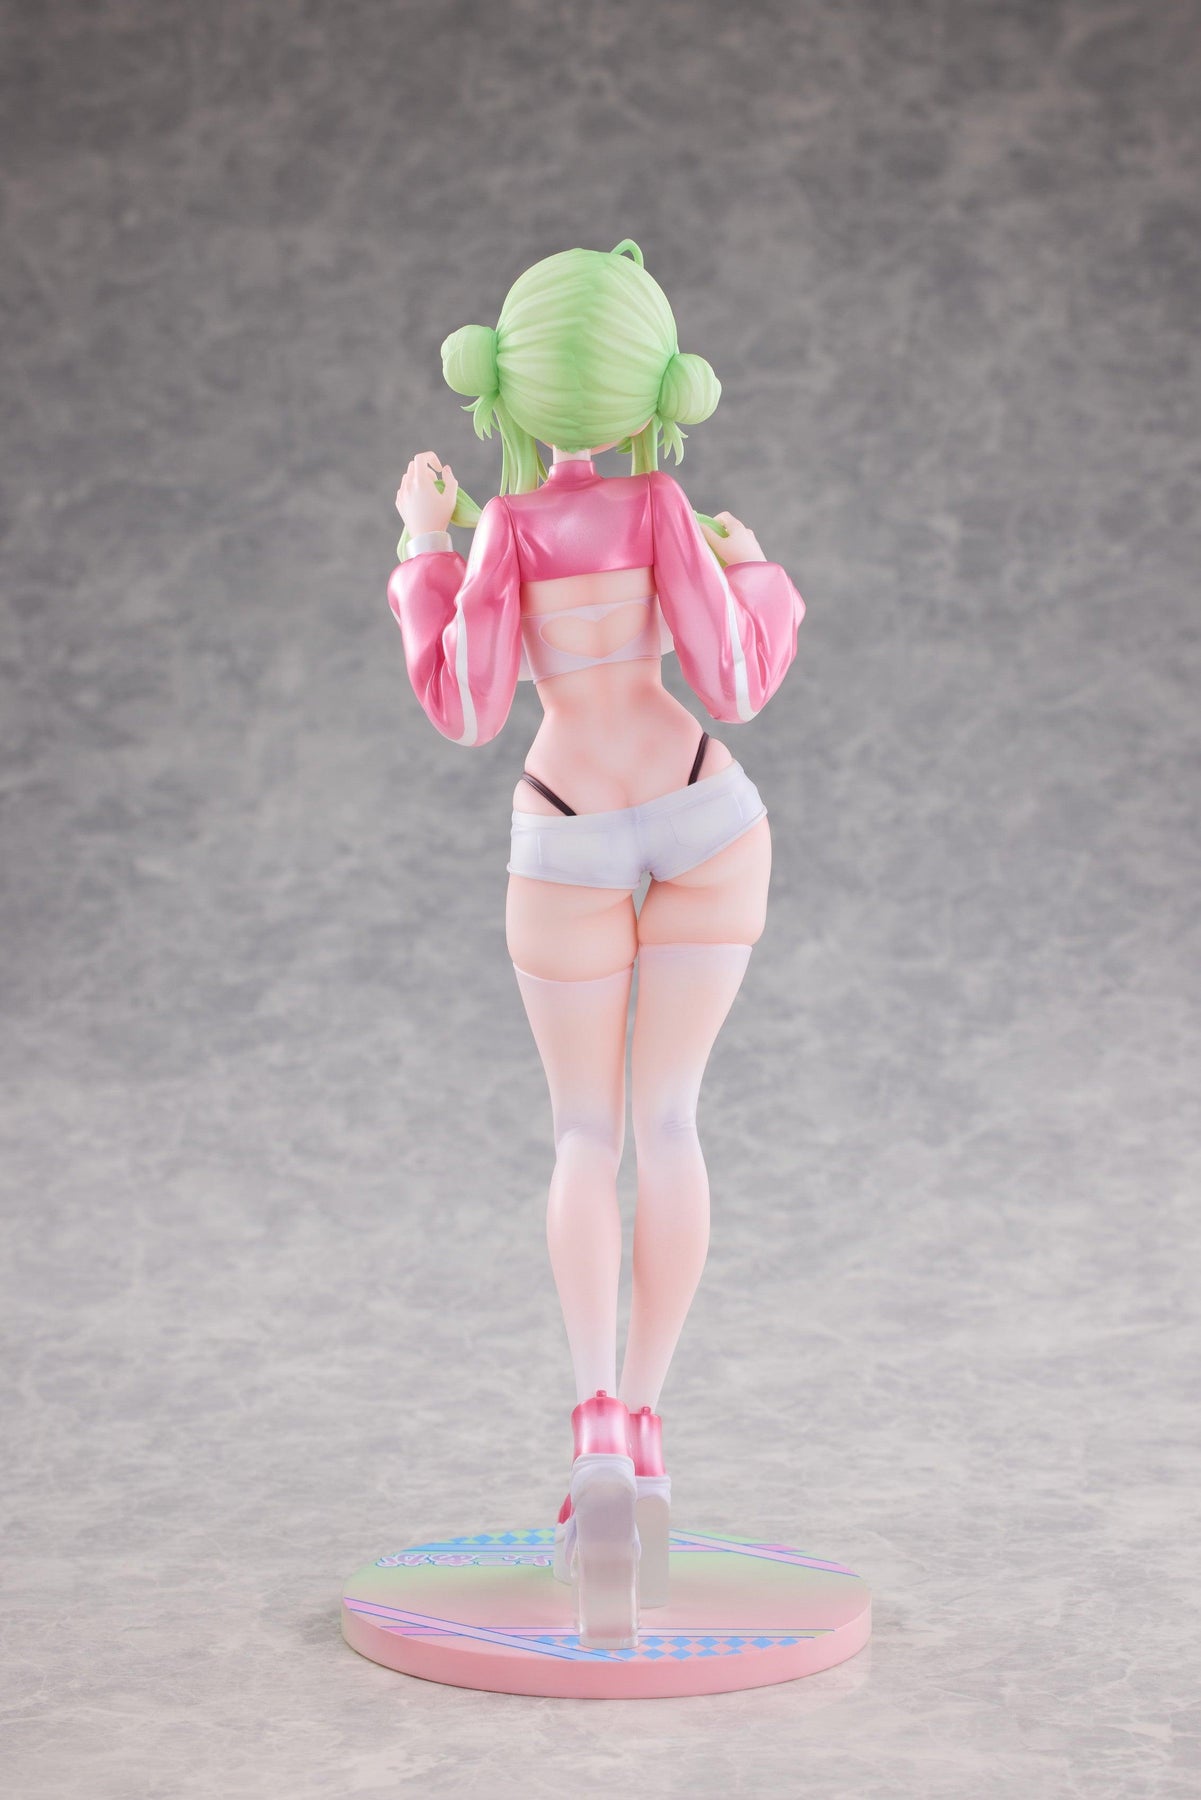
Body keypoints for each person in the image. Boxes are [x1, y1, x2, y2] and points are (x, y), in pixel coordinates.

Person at [388, 240, 805, 1647]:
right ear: (652, 381)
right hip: (702, 811)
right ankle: (651, 1428)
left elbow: (464, 707)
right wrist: (757, 571)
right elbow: (736, 679)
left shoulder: (508, 530)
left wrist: (425, 548)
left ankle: (593, 1436)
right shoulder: (662, 505)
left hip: (565, 822)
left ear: (502, 383)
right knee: (670, 1123)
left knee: (584, 1134)